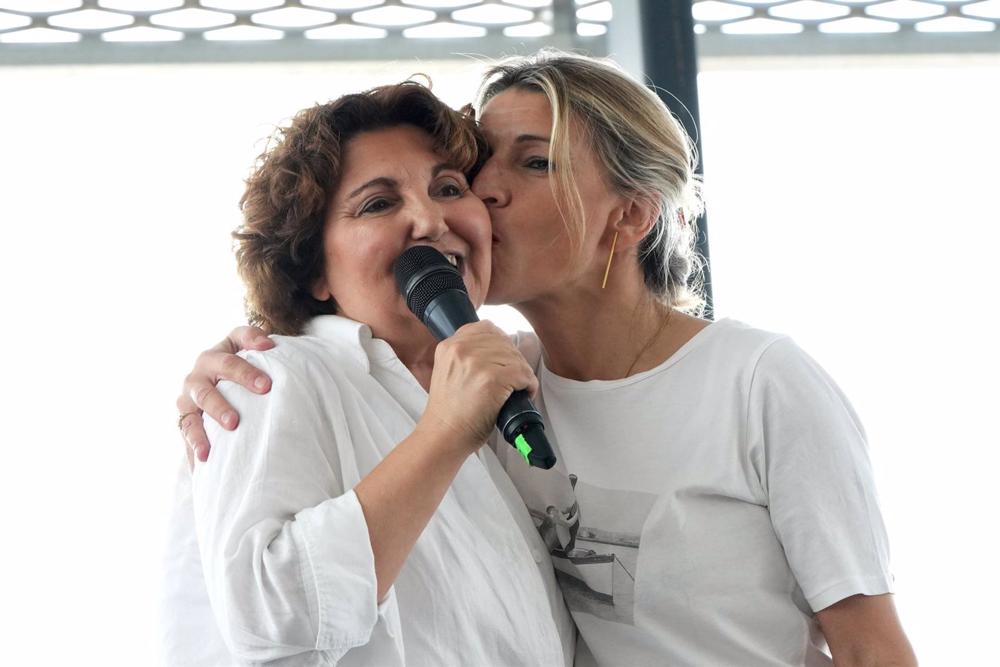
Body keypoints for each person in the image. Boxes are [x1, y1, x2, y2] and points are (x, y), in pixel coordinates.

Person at [176, 51, 916, 665]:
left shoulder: (760, 381)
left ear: (628, 215)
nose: (483, 195)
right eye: (481, 165)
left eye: (532, 163)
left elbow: (870, 646)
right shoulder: (486, 388)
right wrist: (240, 356)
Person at [162, 81, 575, 666]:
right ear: (314, 271)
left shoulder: (517, 377)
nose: (430, 221)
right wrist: (444, 433)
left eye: (449, 189)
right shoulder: (269, 379)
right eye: (379, 203)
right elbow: (268, 617)